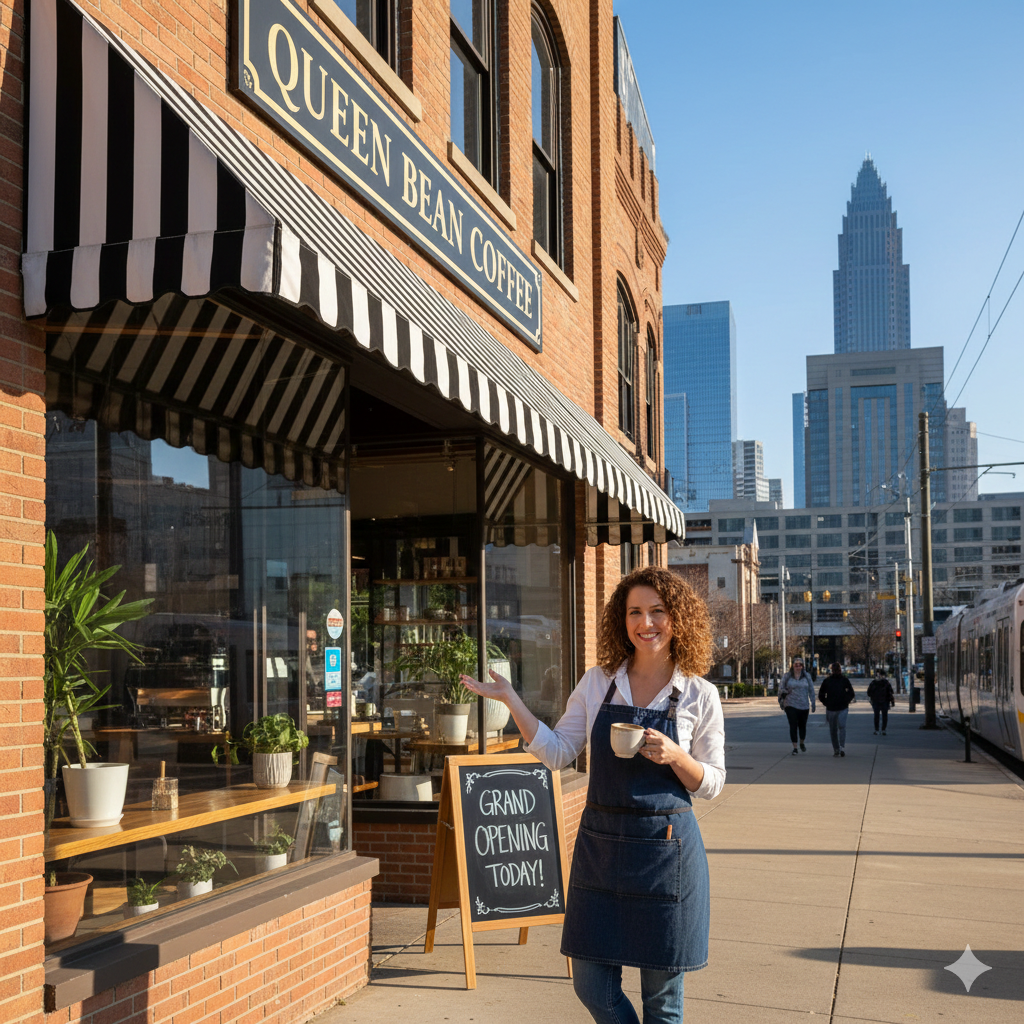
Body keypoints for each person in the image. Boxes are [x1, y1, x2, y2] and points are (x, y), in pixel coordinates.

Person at [461, 566, 725, 1024]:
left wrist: (676, 757)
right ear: (621, 621)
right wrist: (512, 702)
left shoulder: (699, 694)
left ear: (678, 618)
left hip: (666, 856)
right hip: (601, 850)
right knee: (591, 985)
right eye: (635, 612)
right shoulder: (598, 682)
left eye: (658, 612)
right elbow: (559, 752)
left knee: (662, 1005)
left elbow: (713, 781)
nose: (646, 623)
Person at [817, 662, 856, 757]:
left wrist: (846, 700)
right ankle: (836, 748)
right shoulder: (827, 681)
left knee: (842, 726)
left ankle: (841, 747)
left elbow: (851, 692)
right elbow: (821, 694)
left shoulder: (844, 680)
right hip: (831, 708)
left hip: (842, 708)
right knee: (833, 729)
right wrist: (827, 703)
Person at [778, 658, 816, 754]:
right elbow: (781, 688)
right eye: (796, 664)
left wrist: (813, 702)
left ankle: (802, 742)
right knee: (793, 725)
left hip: (804, 705)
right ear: (793, 666)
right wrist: (781, 699)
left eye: (800, 665)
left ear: (803, 666)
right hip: (790, 704)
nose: (798, 666)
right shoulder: (787, 676)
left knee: (802, 726)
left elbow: (811, 689)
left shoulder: (807, 676)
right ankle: (795, 747)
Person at [867, 670, 895, 735]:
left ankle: (883, 729)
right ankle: (877, 729)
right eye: (877, 675)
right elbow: (869, 692)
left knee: (883, 715)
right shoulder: (874, 683)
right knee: (878, 715)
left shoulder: (885, 683)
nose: (879, 676)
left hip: (884, 701)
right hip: (877, 701)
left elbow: (890, 693)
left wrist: (892, 701)